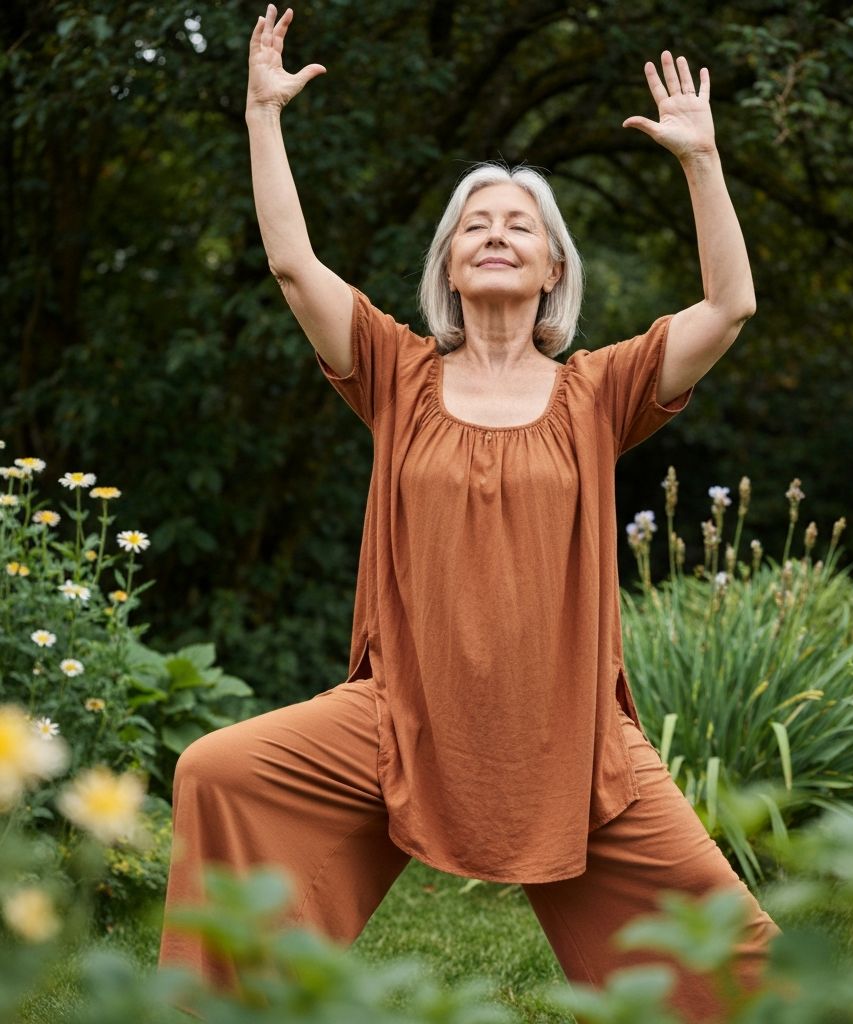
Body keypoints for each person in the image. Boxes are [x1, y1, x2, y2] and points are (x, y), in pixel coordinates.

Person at [157, 4, 781, 1021]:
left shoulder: (599, 390)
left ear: (553, 270)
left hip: (572, 741)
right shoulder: (395, 372)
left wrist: (702, 161)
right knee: (220, 771)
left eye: (520, 225)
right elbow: (292, 265)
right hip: (398, 719)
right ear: (449, 266)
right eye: (474, 226)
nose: (495, 234)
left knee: (732, 955)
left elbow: (729, 307)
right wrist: (263, 116)